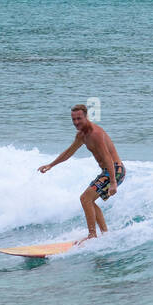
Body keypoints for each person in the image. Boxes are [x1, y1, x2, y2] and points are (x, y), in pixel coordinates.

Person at [39, 104, 126, 242]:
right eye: (73, 119)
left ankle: (92, 235)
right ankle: (105, 234)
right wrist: (51, 165)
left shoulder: (95, 134)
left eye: (79, 118)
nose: (76, 122)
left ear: (86, 117)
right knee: (89, 201)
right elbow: (69, 152)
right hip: (107, 171)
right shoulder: (81, 136)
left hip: (115, 170)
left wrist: (114, 183)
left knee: (85, 198)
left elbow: (108, 158)